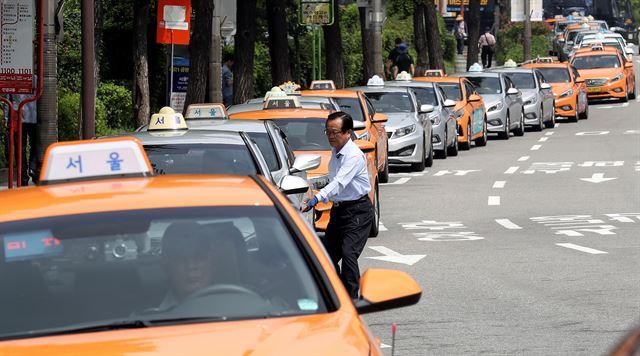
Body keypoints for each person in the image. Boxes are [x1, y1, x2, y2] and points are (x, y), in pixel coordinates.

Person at [302, 111, 373, 299]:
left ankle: (352, 300)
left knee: (348, 253)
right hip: (339, 210)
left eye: (335, 132)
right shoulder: (336, 153)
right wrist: (311, 185)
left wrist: (317, 199)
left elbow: (340, 182)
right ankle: (335, 294)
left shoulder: (353, 156)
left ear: (348, 132)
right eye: (328, 132)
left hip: (358, 211)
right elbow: (332, 179)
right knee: (327, 256)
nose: (331, 136)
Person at [158, 222, 216, 309]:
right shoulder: (147, 318)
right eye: (181, 258)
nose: (191, 266)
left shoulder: (237, 307)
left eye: (199, 256)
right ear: (166, 267)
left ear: (212, 262)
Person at [3, 78, 38, 186]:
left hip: (17, 118)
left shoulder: (13, 78)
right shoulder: (36, 79)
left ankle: (23, 177)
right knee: (35, 145)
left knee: (20, 150)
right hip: (34, 117)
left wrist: (6, 119)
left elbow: (7, 101)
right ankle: (33, 168)